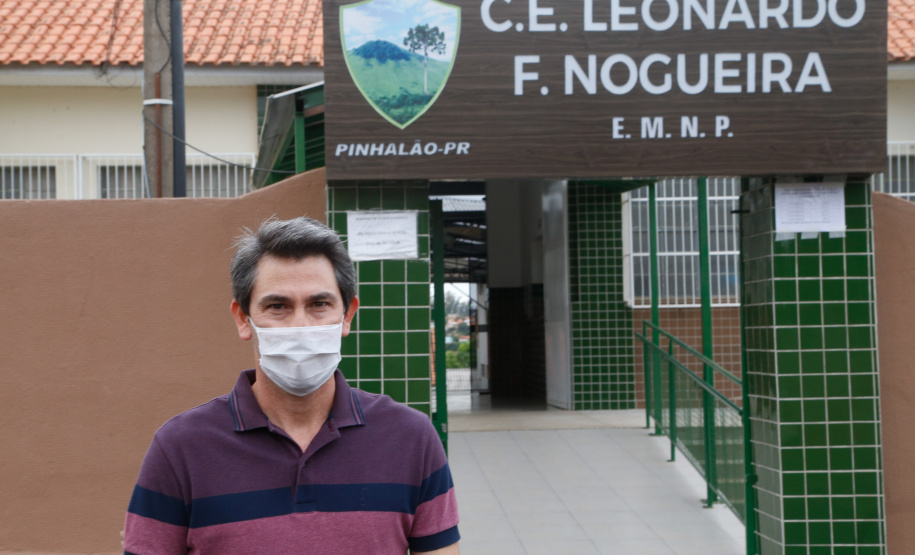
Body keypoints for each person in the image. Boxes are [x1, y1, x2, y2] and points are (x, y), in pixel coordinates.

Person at [123, 217, 460, 554]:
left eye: (319, 304)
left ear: (347, 316)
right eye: (278, 306)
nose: (300, 325)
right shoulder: (179, 448)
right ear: (243, 318)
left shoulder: (412, 438)